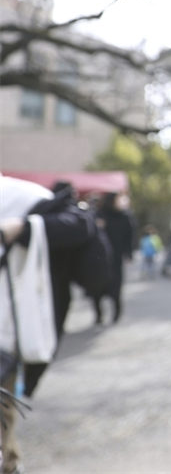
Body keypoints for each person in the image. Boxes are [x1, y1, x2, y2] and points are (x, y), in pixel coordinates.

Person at [1, 175, 108, 474]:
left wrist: (20, 229)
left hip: (8, 335)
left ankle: (9, 461)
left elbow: (79, 225)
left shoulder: (25, 197)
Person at [96, 191, 135, 324]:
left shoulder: (124, 216)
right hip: (99, 258)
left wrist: (129, 253)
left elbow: (129, 235)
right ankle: (98, 314)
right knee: (98, 287)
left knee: (116, 287)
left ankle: (116, 313)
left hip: (116, 257)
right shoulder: (99, 215)